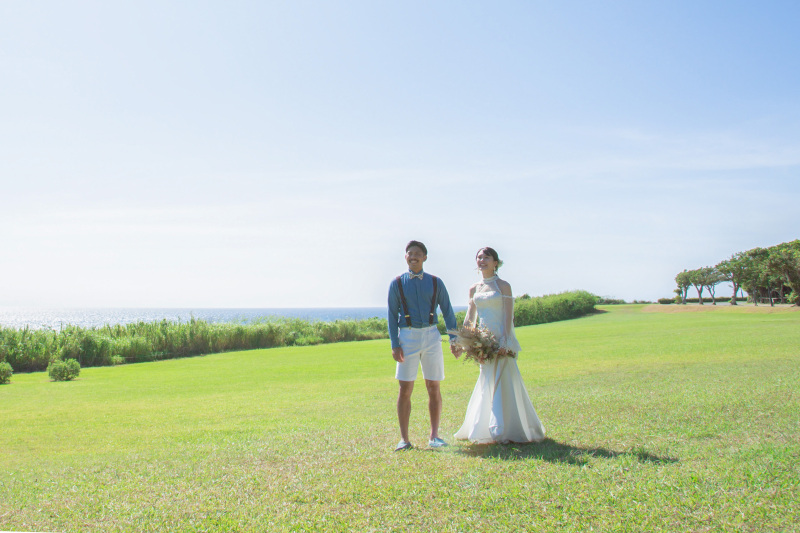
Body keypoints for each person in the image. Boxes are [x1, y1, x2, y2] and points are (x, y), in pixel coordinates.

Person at [454, 247, 546, 444]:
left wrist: (505, 341)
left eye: (487, 257)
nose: (482, 260)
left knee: (505, 381)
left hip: (500, 339)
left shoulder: (503, 286)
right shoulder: (474, 288)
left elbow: (508, 316)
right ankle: (484, 427)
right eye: (479, 257)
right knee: (486, 379)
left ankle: (508, 428)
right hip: (482, 341)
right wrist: (465, 342)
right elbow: (470, 318)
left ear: (496, 262)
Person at [388, 240, 460, 451]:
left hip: (431, 335)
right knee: (405, 388)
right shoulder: (397, 283)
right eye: (410, 253)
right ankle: (404, 439)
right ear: (405, 257)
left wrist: (454, 339)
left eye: (418, 253)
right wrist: (395, 344)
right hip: (407, 337)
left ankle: (434, 436)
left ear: (425, 257)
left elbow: (447, 312)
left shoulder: (436, 282)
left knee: (433, 386)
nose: (413, 256)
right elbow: (392, 316)